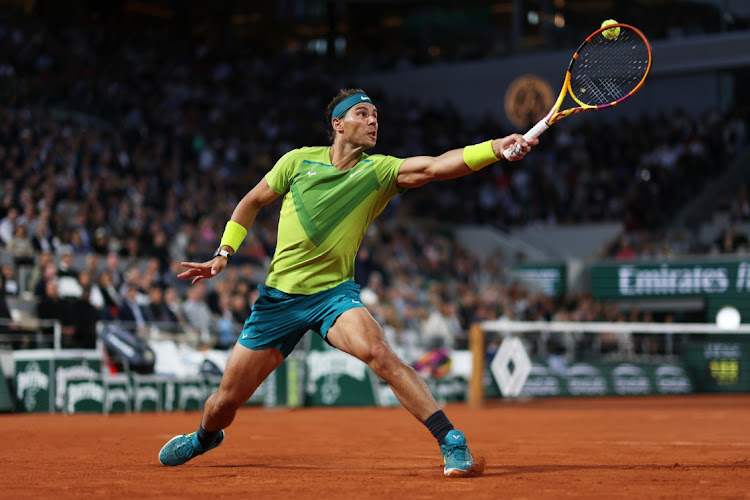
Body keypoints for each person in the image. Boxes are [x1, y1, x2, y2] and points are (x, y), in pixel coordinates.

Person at [158, 88, 536, 476]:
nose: (373, 121)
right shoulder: (296, 161)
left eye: (376, 115)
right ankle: (205, 438)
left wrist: (494, 147)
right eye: (362, 114)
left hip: (332, 296)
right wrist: (224, 253)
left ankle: (450, 440)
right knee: (224, 403)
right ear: (338, 125)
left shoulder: (380, 171)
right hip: (278, 302)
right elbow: (252, 201)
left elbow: (437, 166)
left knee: (381, 355)